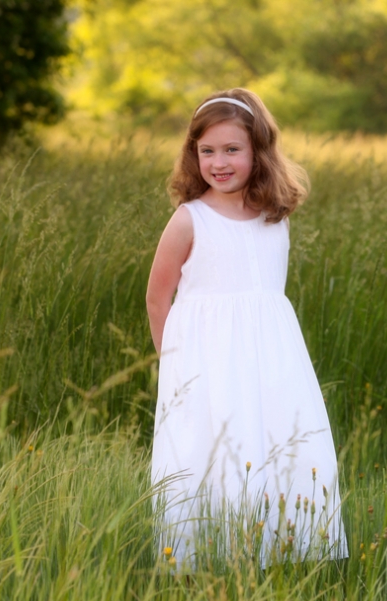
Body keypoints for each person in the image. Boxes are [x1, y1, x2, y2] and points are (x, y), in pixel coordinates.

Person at [146, 88, 348, 571]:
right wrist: (174, 367)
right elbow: (158, 297)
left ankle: (284, 553)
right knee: (214, 454)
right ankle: (205, 560)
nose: (219, 162)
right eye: (207, 151)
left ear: (258, 150)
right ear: (193, 156)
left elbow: (263, 300)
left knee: (282, 446)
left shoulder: (273, 216)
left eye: (232, 149)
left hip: (273, 361)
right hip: (207, 362)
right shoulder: (188, 220)